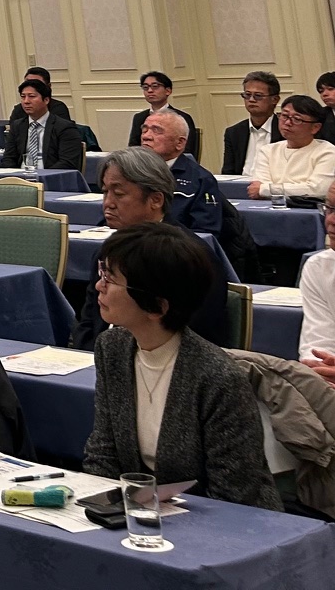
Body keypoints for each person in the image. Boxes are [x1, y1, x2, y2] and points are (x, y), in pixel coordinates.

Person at [82, 224, 281, 509]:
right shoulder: (112, 347)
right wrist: (101, 509)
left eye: (110, 280)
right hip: (141, 512)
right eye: (103, 274)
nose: (99, 286)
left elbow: (235, 492)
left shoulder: (218, 377)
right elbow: (103, 452)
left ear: (157, 307)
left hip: (226, 519)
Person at [67, 149, 230, 349]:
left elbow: (194, 337)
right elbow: (88, 322)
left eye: (119, 194)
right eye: (105, 192)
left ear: (156, 200)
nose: (108, 203)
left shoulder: (188, 257)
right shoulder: (108, 251)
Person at [138, 111, 223, 235]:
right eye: (144, 130)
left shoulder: (201, 180)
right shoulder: (129, 172)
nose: (146, 136)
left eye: (156, 131)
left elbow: (205, 233)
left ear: (179, 143)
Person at [247, 96, 335, 201]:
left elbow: (317, 190)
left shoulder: (327, 151)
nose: (288, 123)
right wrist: (295, 188)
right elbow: (257, 186)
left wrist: (266, 189)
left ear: (315, 127)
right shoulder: (268, 150)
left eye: (297, 119)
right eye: (284, 116)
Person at [2, 78, 86, 172]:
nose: (26, 101)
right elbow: (8, 158)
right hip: (21, 177)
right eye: (23, 97)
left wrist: (42, 175)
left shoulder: (65, 128)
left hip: (52, 177)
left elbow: (67, 162)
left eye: (32, 96)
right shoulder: (17, 126)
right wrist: (16, 176)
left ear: (46, 100)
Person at [299, 184, 335, 384]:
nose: (331, 220)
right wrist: (321, 369)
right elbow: (317, 344)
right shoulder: (319, 268)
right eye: (330, 209)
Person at [129, 70, 202, 162]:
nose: (150, 91)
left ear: (168, 91)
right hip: (145, 164)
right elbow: (133, 148)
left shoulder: (181, 117)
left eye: (155, 86)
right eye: (145, 87)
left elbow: (187, 150)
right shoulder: (139, 117)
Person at [224, 71, 283, 178]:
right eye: (247, 95)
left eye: (258, 96)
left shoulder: (285, 131)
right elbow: (227, 174)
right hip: (239, 186)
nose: (251, 100)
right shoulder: (234, 133)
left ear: (275, 99)